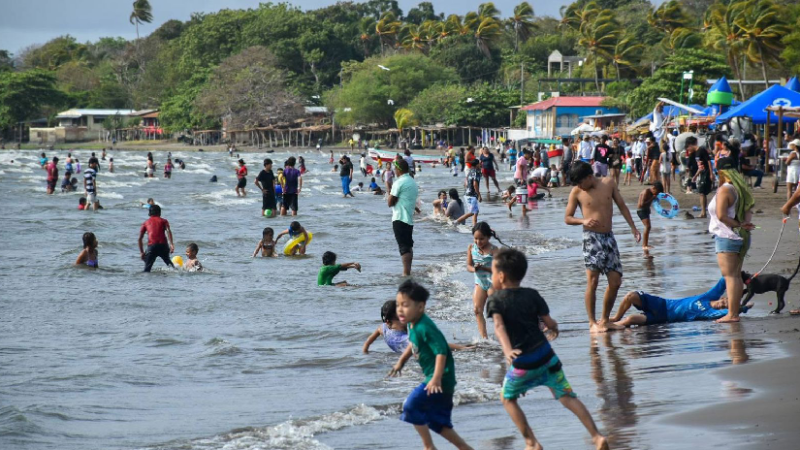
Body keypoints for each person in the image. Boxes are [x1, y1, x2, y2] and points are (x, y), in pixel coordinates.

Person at [487, 248, 609, 450]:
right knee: (567, 396)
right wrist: (554, 328)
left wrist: (508, 351)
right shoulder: (532, 295)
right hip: (547, 358)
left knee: (507, 397)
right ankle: (597, 436)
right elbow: (549, 322)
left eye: (492, 272)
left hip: (523, 363)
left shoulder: (495, 300)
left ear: (501, 276)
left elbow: (499, 327)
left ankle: (531, 442)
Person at [388, 281, 474, 450]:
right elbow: (412, 345)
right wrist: (401, 362)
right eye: (398, 305)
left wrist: (435, 379)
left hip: (441, 378)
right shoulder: (412, 325)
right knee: (437, 422)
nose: (399, 309)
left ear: (420, 307)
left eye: (405, 305)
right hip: (439, 379)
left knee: (411, 406)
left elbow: (441, 351)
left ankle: (429, 447)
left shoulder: (425, 327)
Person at [565, 161, 641, 333]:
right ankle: (592, 322)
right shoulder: (577, 192)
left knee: (615, 281)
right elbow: (568, 218)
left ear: (589, 177)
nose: (579, 186)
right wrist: (583, 220)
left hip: (609, 238)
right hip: (591, 238)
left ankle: (605, 320)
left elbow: (621, 205)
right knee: (593, 281)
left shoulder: (608, 183)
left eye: (580, 182)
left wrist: (633, 227)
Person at [708, 157, 755, 324]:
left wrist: (737, 224)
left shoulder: (725, 190)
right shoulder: (741, 189)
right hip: (741, 237)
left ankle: (732, 314)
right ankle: (734, 311)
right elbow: (749, 210)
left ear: (720, 172)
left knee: (731, 277)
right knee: (735, 276)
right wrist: (743, 224)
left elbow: (721, 216)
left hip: (727, 236)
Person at [612, 278, 748, 327]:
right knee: (630, 296)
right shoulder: (708, 296)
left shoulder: (709, 313)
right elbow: (724, 280)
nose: (722, 304)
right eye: (725, 301)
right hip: (663, 304)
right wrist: (742, 278)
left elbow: (730, 313)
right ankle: (615, 318)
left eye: (724, 307)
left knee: (630, 319)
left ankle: (614, 326)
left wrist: (742, 308)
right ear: (722, 297)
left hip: (664, 317)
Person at [363, 300, 474, 354]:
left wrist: (366, 348)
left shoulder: (384, 328)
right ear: (389, 321)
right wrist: (462, 348)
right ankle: (464, 348)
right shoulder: (405, 340)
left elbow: (376, 332)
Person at [467, 222, 503, 339]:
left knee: (496, 311)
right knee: (477, 310)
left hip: (493, 282)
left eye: (481, 239)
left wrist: (483, 267)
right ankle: (484, 338)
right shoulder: (471, 248)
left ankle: (505, 333)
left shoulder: (494, 250)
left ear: (488, 237)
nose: (478, 242)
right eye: (476, 239)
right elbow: (468, 266)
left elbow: (497, 270)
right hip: (480, 283)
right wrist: (474, 269)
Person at [388, 159, 419, 276]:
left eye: (395, 169)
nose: (394, 171)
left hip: (399, 217)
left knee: (404, 247)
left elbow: (390, 202)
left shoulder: (399, 182)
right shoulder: (412, 181)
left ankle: (406, 273)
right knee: (408, 246)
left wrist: (390, 193)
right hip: (409, 218)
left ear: (399, 169)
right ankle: (408, 271)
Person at [138, 205, 175, 272]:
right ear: (160, 213)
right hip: (163, 246)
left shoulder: (145, 223)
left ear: (149, 213)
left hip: (152, 247)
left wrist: (142, 252)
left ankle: (145, 281)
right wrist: (171, 244)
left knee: (147, 269)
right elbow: (168, 231)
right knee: (170, 265)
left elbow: (140, 238)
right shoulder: (164, 221)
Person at [637, 181, 664, 251]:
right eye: (657, 192)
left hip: (646, 210)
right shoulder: (646, 192)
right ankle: (644, 245)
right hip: (641, 211)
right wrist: (652, 198)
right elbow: (642, 204)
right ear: (654, 188)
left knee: (648, 227)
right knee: (647, 226)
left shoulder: (651, 193)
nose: (657, 194)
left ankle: (646, 244)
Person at [456, 160, 482, 226]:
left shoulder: (470, 171)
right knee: (472, 212)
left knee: (475, 211)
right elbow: (475, 184)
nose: (480, 165)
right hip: (472, 195)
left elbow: (465, 182)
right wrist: (479, 195)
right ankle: (455, 222)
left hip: (467, 194)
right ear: (476, 165)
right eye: (479, 164)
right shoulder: (476, 172)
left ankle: (474, 226)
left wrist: (468, 189)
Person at [692, 143, 713, 219]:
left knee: (702, 193)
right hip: (701, 174)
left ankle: (703, 213)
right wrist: (695, 176)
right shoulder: (696, 153)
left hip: (706, 173)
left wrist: (711, 173)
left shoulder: (701, 150)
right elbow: (700, 166)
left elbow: (709, 161)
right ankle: (703, 212)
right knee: (701, 193)